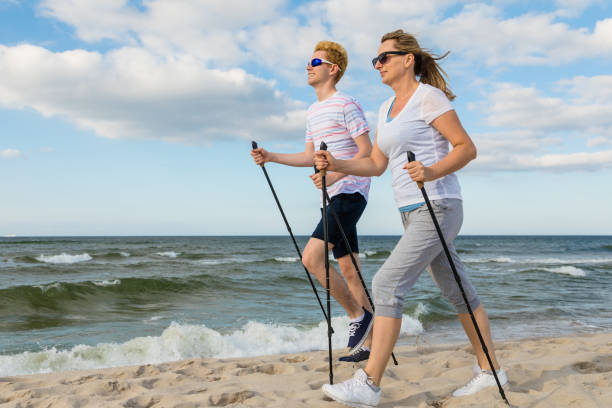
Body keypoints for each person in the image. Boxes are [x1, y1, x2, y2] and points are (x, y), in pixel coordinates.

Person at [315, 30, 507, 407]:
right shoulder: (385, 110)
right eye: (375, 60)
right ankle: (490, 371)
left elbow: (467, 148)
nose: (378, 65)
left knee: (386, 283)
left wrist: (432, 171)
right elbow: (375, 163)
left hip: (440, 204)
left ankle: (369, 383)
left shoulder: (427, 97)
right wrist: (336, 164)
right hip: (411, 211)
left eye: (384, 57)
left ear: (408, 60)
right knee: (458, 292)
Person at [251, 41, 374, 361]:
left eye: (315, 61)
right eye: (308, 62)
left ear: (333, 69)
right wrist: (272, 156)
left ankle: (358, 317)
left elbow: (367, 152)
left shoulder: (347, 104)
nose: (309, 66)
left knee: (311, 259)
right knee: (350, 270)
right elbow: (310, 156)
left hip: (350, 192)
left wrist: (334, 174)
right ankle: (370, 345)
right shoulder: (312, 111)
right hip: (332, 196)